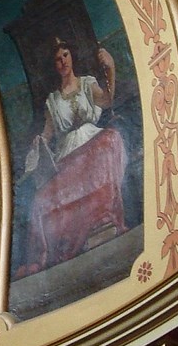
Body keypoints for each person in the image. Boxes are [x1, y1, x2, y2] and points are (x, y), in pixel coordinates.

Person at [17, 37, 128, 277]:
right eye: (57, 59)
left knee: (109, 143)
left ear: (71, 57)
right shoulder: (53, 101)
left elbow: (107, 100)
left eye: (65, 55)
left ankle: (103, 224)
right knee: (41, 200)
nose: (62, 61)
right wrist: (40, 143)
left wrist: (111, 68)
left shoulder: (88, 84)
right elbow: (47, 134)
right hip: (68, 153)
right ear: (54, 65)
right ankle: (69, 242)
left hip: (93, 141)